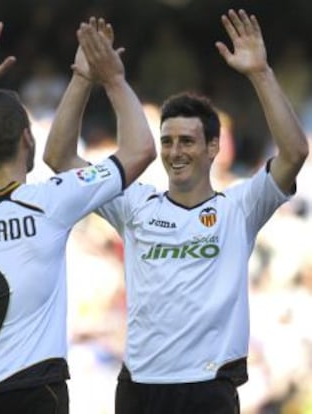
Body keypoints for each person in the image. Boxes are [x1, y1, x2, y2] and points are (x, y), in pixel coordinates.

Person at [43, 9, 309, 413]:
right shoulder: (134, 203)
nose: (174, 152)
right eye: (167, 142)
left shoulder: (239, 208)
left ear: (213, 148)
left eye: (187, 141)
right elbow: (60, 158)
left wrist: (260, 73)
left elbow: (294, 152)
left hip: (207, 390)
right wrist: (82, 79)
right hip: (139, 388)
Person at [0, 15, 155, 414]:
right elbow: (141, 150)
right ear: (27, 137)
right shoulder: (50, 202)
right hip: (32, 391)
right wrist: (110, 78)